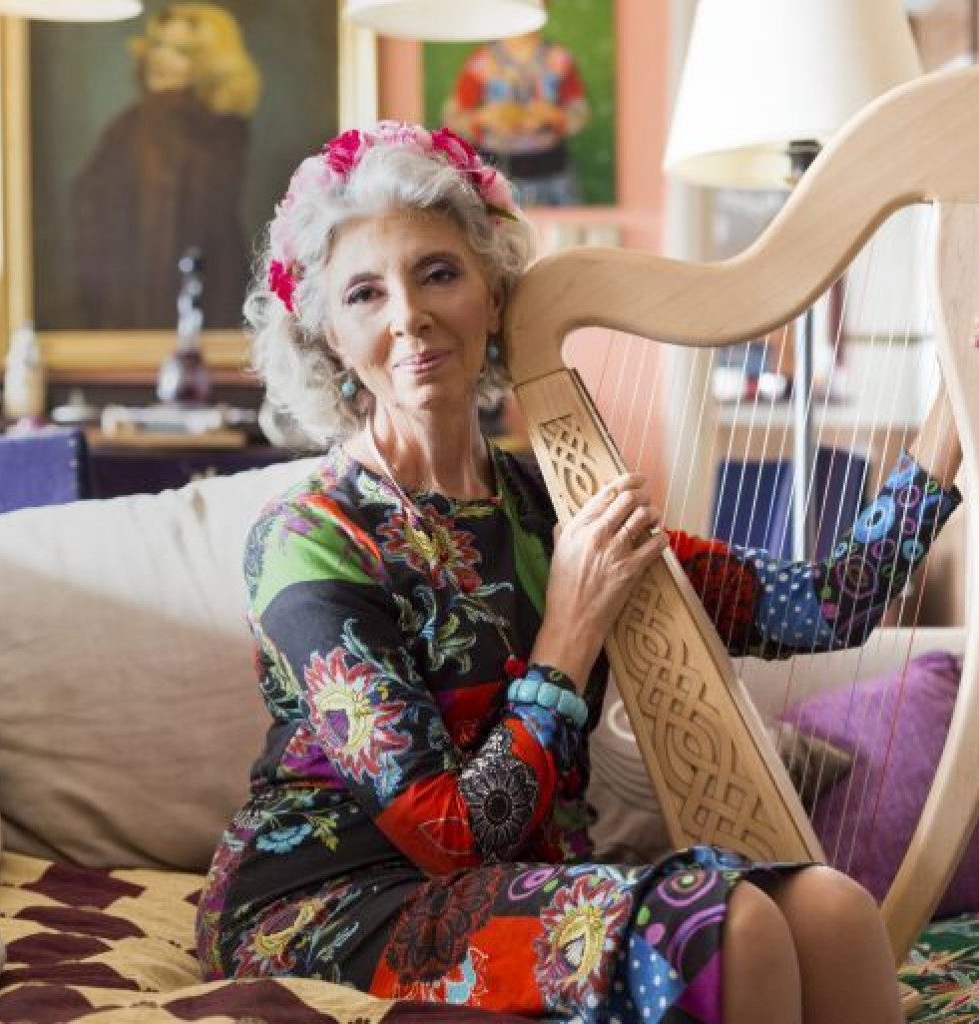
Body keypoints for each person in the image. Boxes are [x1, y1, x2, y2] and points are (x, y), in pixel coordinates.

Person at [195, 121, 962, 1024]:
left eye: (438, 273)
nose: (408, 316)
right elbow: (449, 837)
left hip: (510, 884)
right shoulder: (311, 537)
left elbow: (833, 603)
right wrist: (570, 626)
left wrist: (956, 407)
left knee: (832, 911)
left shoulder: (554, 502)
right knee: (737, 928)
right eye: (366, 293)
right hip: (331, 902)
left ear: (494, 295)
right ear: (329, 334)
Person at [72, 3, 260, 330]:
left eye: (180, 51)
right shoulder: (136, 124)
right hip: (170, 290)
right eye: (158, 44)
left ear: (208, 64)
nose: (160, 58)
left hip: (180, 289)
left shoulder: (197, 126)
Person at [442, 25, 590, 206]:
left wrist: (555, 116)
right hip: (494, 170)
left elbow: (579, 112)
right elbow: (453, 116)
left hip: (551, 171)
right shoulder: (482, 61)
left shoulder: (559, 59)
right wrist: (482, 118)